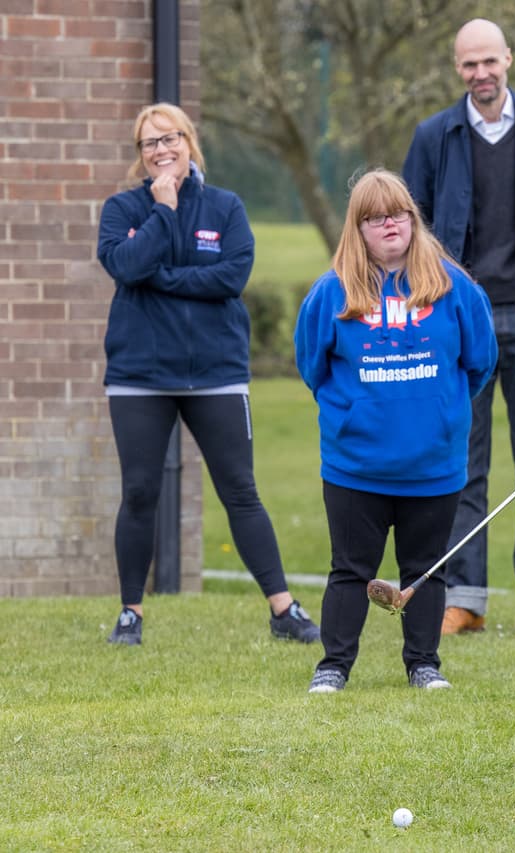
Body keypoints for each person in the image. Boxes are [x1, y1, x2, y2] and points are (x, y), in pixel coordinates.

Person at [96, 103, 320, 647]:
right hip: (140, 376)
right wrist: (165, 212)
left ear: (190, 141)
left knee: (240, 491)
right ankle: (130, 614)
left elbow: (231, 276)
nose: (161, 151)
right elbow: (125, 267)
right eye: (149, 144)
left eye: (170, 139)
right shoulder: (122, 208)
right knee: (141, 492)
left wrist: (159, 277)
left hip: (215, 374)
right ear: (140, 155)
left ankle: (283, 609)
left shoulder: (226, 207)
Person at [402, 18, 515, 637]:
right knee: (462, 465)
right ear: (457, 70)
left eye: (490, 61)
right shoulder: (433, 137)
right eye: (468, 65)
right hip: (459, 325)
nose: (481, 74)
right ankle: (465, 598)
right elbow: (415, 234)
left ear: (509, 57)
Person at [293, 169, 497, 693]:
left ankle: (423, 664)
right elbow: (313, 366)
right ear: (357, 228)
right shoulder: (331, 292)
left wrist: (439, 413)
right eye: (375, 218)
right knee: (349, 569)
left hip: (434, 464)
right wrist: (355, 413)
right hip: (355, 466)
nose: (390, 225)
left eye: (399, 214)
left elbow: (480, 362)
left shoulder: (454, 287)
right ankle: (333, 666)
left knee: (425, 568)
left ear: (413, 218)